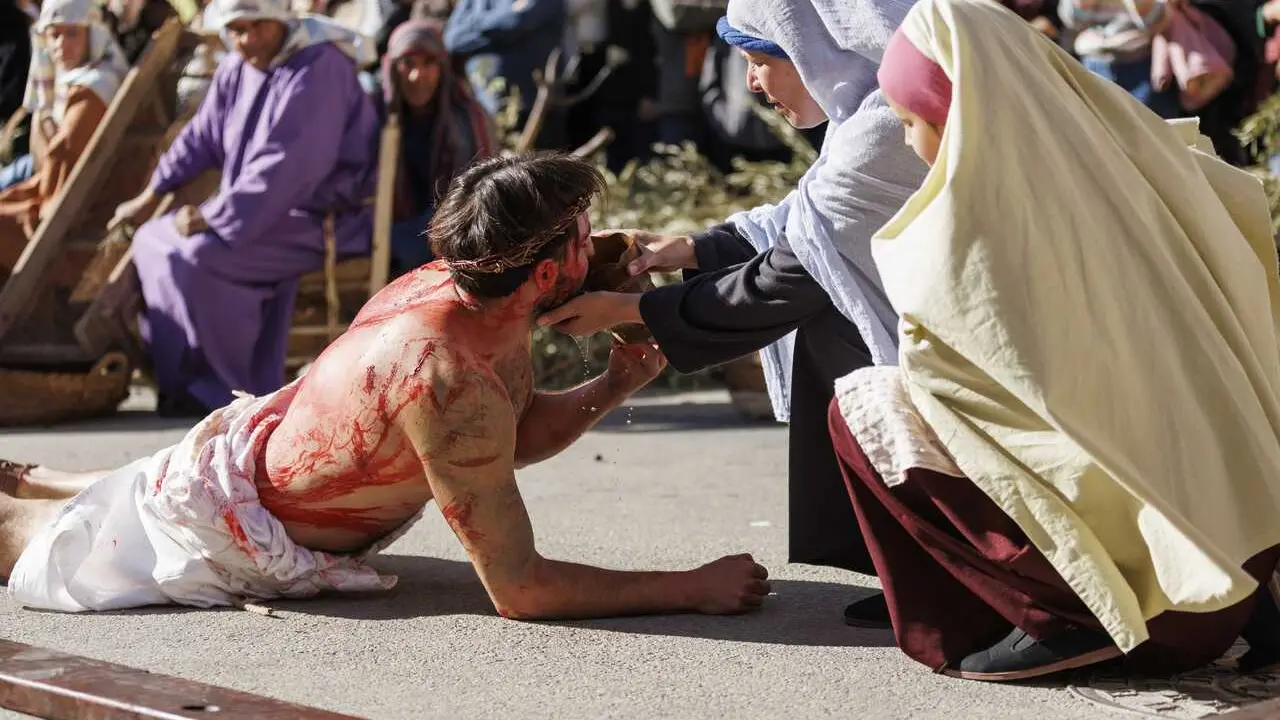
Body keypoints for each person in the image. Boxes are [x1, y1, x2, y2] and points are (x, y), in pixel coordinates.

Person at [2, 153, 773, 619]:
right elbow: (523, 590)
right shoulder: (448, 381)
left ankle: (49, 478)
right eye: (579, 236)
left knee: (131, 485)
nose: (598, 242)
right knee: (32, 543)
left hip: (244, 453)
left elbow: (501, 437)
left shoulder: (466, 276)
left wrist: (616, 378)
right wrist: (688, 587)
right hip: (228, 530)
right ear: (543, 275)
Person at [825, 0, 1280, 681]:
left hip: (1149, 613)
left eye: (911, 121)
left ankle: (1068, 617)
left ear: (956, 116)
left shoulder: (964, 234)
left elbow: (968, 409)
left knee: (862, 406)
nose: (911, 142)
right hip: (1250, 570)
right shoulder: (1149, 179)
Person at [537, 0, 926, 628]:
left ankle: (970, 583)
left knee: (840, 334)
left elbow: (794, 277)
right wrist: (687, 248)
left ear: (813, 48)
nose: (751, 84)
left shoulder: (889, 125)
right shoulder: (867, 112)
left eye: (758, 61)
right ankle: (931, 573)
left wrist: (635, 310)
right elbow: (807, 224)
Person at [111, 0, 380, 419]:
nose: (248, 39)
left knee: (197, 257)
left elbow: (288, 167)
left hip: (319, 221)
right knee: (152, 240)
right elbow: (200, 136)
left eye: (259, 26)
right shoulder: (238, 67)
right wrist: (151, 194)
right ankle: (185, 385)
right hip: (256, 213)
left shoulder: (320, 67)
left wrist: (214, 216)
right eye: (237, 30)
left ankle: (230, 391)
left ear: (280, 21)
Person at [0, 0, 128, 277]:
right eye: (54, 35)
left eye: (72, 33)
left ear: (91, 34)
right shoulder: (72, 79)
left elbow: (62, 172)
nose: (61, 44)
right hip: (55, 192)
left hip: (78, 211)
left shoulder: (91, 89)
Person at [381, 18, 496, 277]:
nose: (417, 75)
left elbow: (475, 200)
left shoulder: (468, 122)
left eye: (428, 63)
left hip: (451, 237)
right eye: (407, 63)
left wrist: (402, 240)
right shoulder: (376, 117)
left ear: (442, 67)